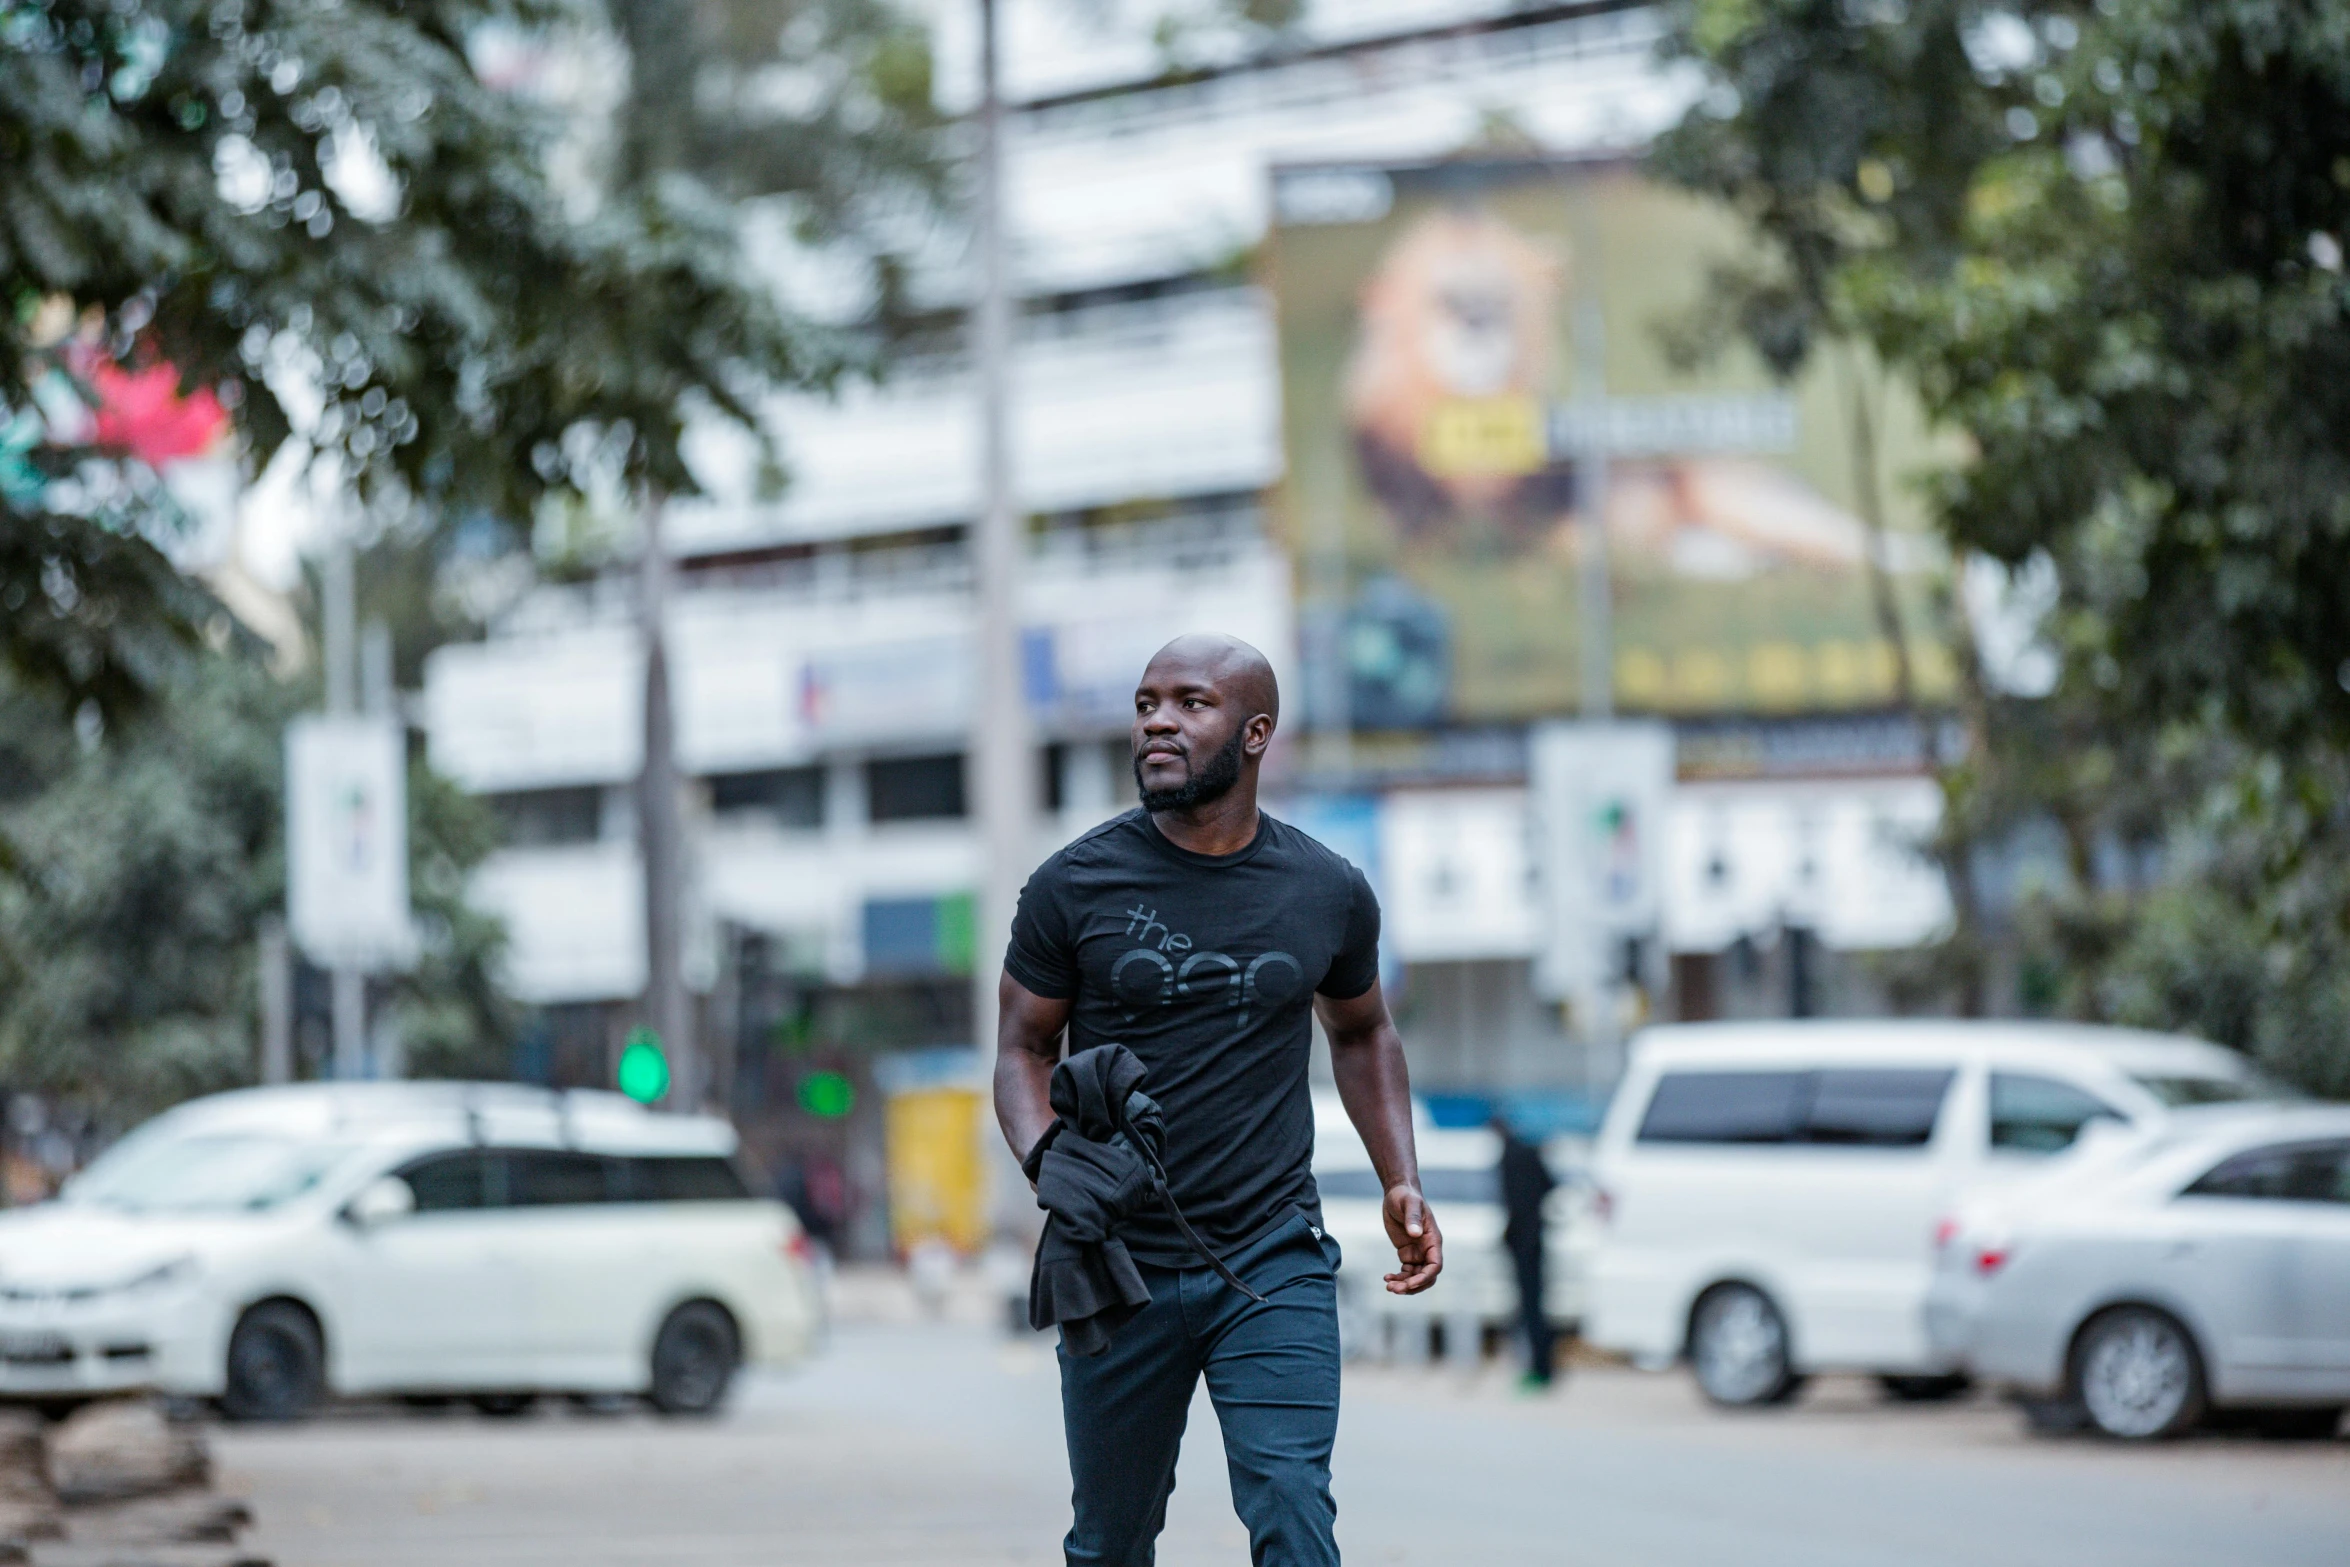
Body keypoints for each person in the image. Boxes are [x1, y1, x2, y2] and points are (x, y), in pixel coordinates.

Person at [994, 633, 1442, 1567]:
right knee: (1111, 1542)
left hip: (1270, 1253)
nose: (1157, 720)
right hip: (1116, 1265)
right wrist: (1048, 1162)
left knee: (1290, 1502)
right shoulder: (1073, 885)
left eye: (1189, 703)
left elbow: (1361, 1030)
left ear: (1254, 732)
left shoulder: (1326, 890)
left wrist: (1400, 1177)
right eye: (1146, 702)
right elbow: (1022, 1047)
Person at [1490, 1112, 1557, 1388]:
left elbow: (1514, 1204)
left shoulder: (1509, 1158)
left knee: (1530, 1310)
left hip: (1522, 1243)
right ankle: (1542, 1367)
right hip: (1536, 1239)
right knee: (1535, 1307)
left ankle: (1539, 1370)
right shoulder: (1529, 1153)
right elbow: (1550, 1184)